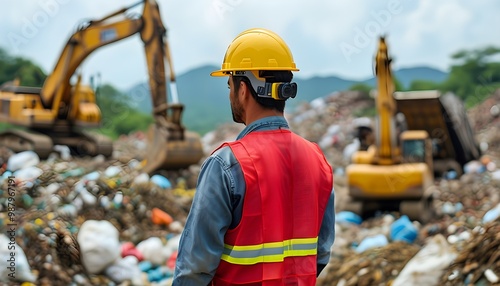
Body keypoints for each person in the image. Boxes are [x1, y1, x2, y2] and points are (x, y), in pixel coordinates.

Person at [173, 28, 335, 285]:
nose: (230, 93)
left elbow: (195, 267)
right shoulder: (318, 161)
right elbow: (321, 252)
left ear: (243, 89)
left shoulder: (226, 164)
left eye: (230, 85)